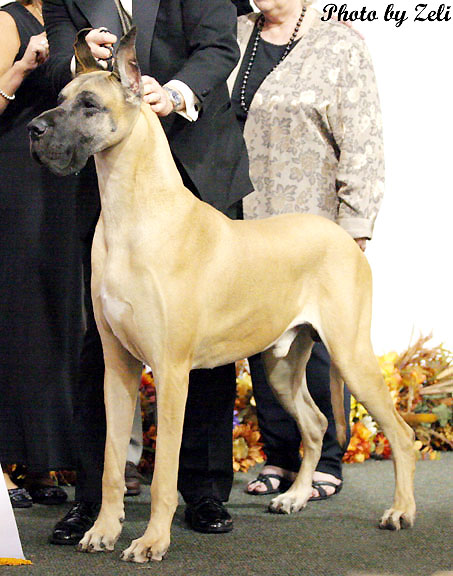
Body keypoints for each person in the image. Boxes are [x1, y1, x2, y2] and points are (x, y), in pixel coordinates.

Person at [42, 0, 253, 543]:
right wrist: (79, 57)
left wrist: (174, 92)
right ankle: (96, 497)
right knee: (102, 346)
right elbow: (59, 56)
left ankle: (202, 490)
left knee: (207, 344)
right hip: (107, 174)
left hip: (195, 155)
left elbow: (219, 44)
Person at [228, 0, 384, 499]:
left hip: (314, 232)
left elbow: (363, 141)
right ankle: (278, 455)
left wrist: (355, 227)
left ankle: (327, 458)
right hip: (246, 224)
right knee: (262, 343)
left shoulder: (339, 42)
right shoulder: (235, 35)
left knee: (319, 349)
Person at [0, 0, 82, 508]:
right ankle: (5, 463)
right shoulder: (9, 19)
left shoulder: (67, 19)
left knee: (56, 316)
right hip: (18, 178)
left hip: (61, 180)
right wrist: (23, 68)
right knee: (20, 316)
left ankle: (41, 461)